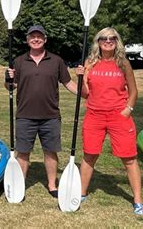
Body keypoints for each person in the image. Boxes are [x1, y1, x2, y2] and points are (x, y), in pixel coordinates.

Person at [5, 25, 85, 198]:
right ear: (27, 40)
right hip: (25, 115)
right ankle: (20, 185)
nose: (36, 39)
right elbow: (11, 87)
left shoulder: (56, 61)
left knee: (50, 151)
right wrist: (8, 79)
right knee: (23, 152)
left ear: (45, 39)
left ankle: (52, 185)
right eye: (32, 36)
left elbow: (68, 83)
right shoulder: (18, 61)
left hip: (50, 116)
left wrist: (86, 94)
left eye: (39, 36)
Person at [79, 27, 143, 215]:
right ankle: (82, 193)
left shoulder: (123, 63)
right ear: (98, 42)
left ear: (117, 41)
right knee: (90, 154)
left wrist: (128, 110)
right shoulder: (90, 62)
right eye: (103, 38)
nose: (108, 41)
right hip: (94, 115)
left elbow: (133, 91)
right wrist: (80, 77)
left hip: (119, 115)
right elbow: (84, 94)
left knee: (129, 158)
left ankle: (138, 201)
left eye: (112, 38)